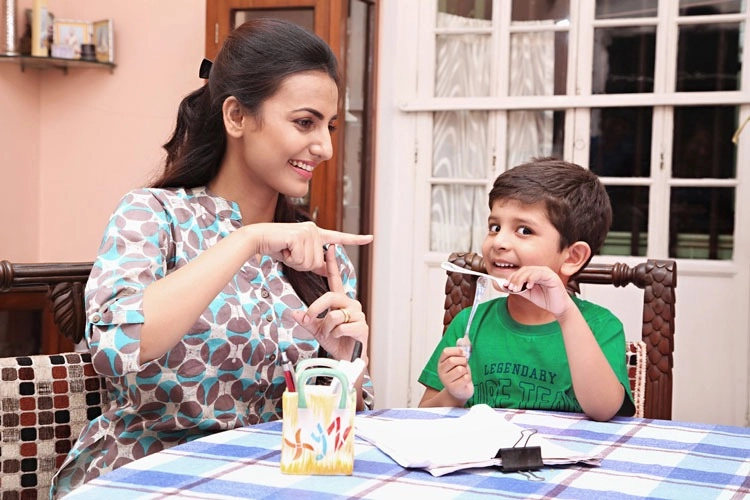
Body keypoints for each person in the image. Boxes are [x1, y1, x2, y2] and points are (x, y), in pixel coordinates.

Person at [51, 18, 373, 497]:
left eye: (329, 126)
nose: (324, 147)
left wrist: (344, 363)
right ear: (236, 116)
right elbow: (118, 346)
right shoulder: (153, 215)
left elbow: (336, 436)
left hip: (272, 483)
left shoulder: (320, 254)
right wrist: (247, 241)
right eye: (305, 122)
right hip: (144, 479)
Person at [418, 158, 635, 422]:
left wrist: (566, 314)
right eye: (495, 227)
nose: (499, 242)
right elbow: (423, 417)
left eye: (524, 230)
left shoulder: (601, 326)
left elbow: (604, 410)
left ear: (572, 257)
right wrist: (454, 395)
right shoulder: (469, 323)